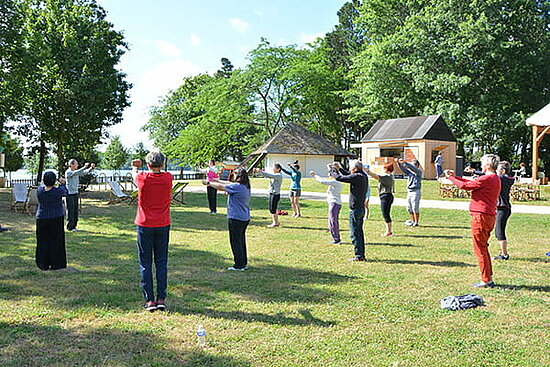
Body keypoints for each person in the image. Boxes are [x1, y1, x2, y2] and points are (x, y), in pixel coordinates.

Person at [445, 154, 501, 288]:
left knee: (480, 248)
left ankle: (486, 279)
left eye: (482, 163)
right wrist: (455, 177)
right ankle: (488, 276)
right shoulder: (495, 178)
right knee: (483, 247)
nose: (480, 166)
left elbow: (464, 186)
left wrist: (450, 177)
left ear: (488, 165)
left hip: (480, 216)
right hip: (488, 215)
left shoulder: (487, 178)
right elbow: (469, 184)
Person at [132, 152, 173, 312]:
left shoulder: (143, 178)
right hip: (163, 224)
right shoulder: (168, 178)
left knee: (145, 263)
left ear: (148, 165)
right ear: (162, 164)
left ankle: (149, 300)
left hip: (144, 224)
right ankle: (161, 298)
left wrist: (134, 166)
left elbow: (134, 174)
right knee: (161, 262)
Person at [203, 168, 251, 271]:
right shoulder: (244, 186)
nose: (233, 176)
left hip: (236, 218)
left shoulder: (237, 187)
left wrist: (209, 183)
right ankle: (243, 262)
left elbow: (222, 187)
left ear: (238, 176)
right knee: (241, 240)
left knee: (235, 241)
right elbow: (227, 183)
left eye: (234, 174)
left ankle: (239, 265)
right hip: (244, 217)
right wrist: (216, 180)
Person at [330, 160, 368, 261]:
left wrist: (331, 171)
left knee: (354, 233)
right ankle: (361, 255)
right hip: (360, 209)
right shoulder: (362, 175)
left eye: (351, 167)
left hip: (355, 210)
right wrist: (339, 168)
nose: (350, 169)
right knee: (359, 232)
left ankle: (359, 256)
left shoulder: (357, 176)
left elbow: (340, 178)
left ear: (355, 169)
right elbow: (348, 175)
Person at [35, 171, 68, 270]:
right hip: (56, 217)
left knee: (42, 241)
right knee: (56, 241)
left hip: (42, 217)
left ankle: (42, 263)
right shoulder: (57, 191)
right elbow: (65, 192)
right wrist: (62, 183)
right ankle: (57, 263)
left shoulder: (39, 191)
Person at [311, 165, 343, 244]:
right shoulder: (335, 181)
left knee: (332, 221)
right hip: (334, 203)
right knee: (332, 220)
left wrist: (315, 175)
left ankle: (336, 239)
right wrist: (329, 168)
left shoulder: (335, 181)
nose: (329, 176)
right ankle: (336, 237)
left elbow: (322, 181)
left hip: (334, 203)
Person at [365, 162, 395, 237]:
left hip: (386, 196)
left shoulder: (386, 177)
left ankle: (388, 231)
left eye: (384, 168)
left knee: (385, 214)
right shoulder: (390, 176)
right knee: (386, 214)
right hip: (387, 196)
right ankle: (389, 230)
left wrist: (367, 171)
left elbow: (376, 176)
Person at [65, 159, 95, 231]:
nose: (77, 165)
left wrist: (91, 168)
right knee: (70, 211)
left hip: (75, 193)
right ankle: (70, 227)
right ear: (72, 165)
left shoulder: (76, 172)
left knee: (75, 210)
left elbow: (84, 173)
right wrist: (84, 166)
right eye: (76, 164)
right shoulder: (68, 172)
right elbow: (77, 172)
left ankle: (74, 226)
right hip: (69, 194)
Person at [493, 161, 515, 261]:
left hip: (502, 208)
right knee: (498, 231)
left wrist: (474, 171)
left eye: (497, 169)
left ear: (502, 170)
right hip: (504, 208)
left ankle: (504, 255)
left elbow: (490, 176)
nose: (495, 171)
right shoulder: (507, 178)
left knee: (500, 231)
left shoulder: (502, 178)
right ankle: (503, 252)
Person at [396, 157, 423, 227]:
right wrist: (398, 163)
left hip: (416, 191)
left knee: (415, 207)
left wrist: (405, 163)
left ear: (417, 165)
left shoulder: (418, 172)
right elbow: (403, 169)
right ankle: (412, 221)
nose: (412, 166)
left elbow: (412, 168)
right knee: (409, 208)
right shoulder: (410, 173)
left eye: (414, 164)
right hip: (409, 191)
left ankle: (416, 222)